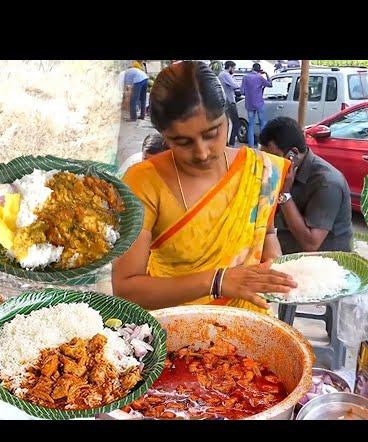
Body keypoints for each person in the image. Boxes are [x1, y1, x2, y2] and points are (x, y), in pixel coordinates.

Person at [112, 61, 296, 312]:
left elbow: (268, 234)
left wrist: (275, 274)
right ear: (163, 136)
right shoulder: (143, 182)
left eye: (212, 133)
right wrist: (217, 281)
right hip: (177, 329)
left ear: (227, 118)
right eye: (182, 141)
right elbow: (126, 291)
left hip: (250, 325)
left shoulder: (261, 171)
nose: (201, 152)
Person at [259, 117, 352, 253]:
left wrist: (284, 195)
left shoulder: (327, 183)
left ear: (293, 154)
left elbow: (310, 244)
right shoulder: (283, 170)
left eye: (272, 158)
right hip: (287, 248)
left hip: (324, 262)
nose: (267, 163)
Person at [240, 63, 272, 148]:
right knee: (262, 123)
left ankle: (251, 145)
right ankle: (262, 144)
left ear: (252, 68)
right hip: (259, 103)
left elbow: (242, 91)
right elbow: (270, 84)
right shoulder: (260, 77)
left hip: (249, 103)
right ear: (259, 70)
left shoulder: (245, 77)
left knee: (251, 124)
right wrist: (266, 74)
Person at [218, 61, 240, 147]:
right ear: (230, 67)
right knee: (236, 123)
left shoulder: (223, 74)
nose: (234, 70)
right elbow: (235, 85)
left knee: (226, 123)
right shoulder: (225, 75)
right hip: (229, 101)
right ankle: (231, 143)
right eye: (234, 68)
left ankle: (226, 143)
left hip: (225, 100)